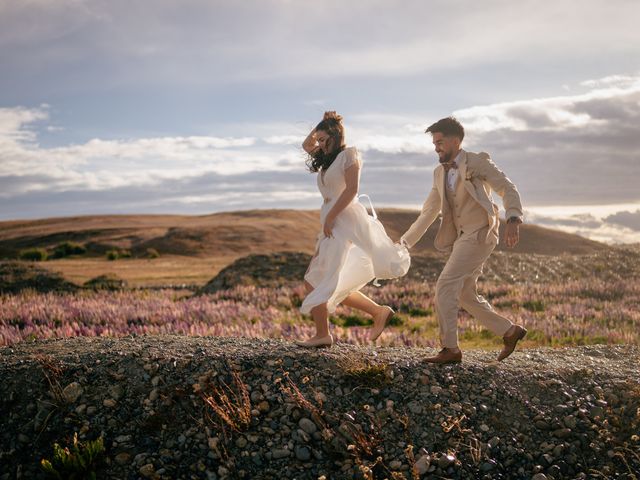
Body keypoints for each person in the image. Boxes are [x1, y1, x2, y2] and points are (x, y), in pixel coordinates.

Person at [401, 117, 527, 364]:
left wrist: (513, 218)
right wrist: (404, 243)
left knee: (445, 285)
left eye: (440, 142)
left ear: (455, 141)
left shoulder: (476, 162)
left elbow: (506, 187)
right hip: (461, 238)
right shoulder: (439, 173)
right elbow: (428, 212)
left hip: (480, 233)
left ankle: (450, 349)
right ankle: (509, 331)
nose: (436, 147)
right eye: (434, 143)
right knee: (466, 295)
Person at [296, 111, 410, 348]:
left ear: (336, 137)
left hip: (343, 220)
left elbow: (351, 190)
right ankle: (377, 312)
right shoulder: (326, 159)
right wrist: (320, 126)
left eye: (325, 139)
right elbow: (306, 144)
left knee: (315, 278)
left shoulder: (349, 155)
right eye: (320, 140)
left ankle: (323, 335)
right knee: (320, 279)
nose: (320, 144)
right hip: (330, 222)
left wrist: (331, 218)